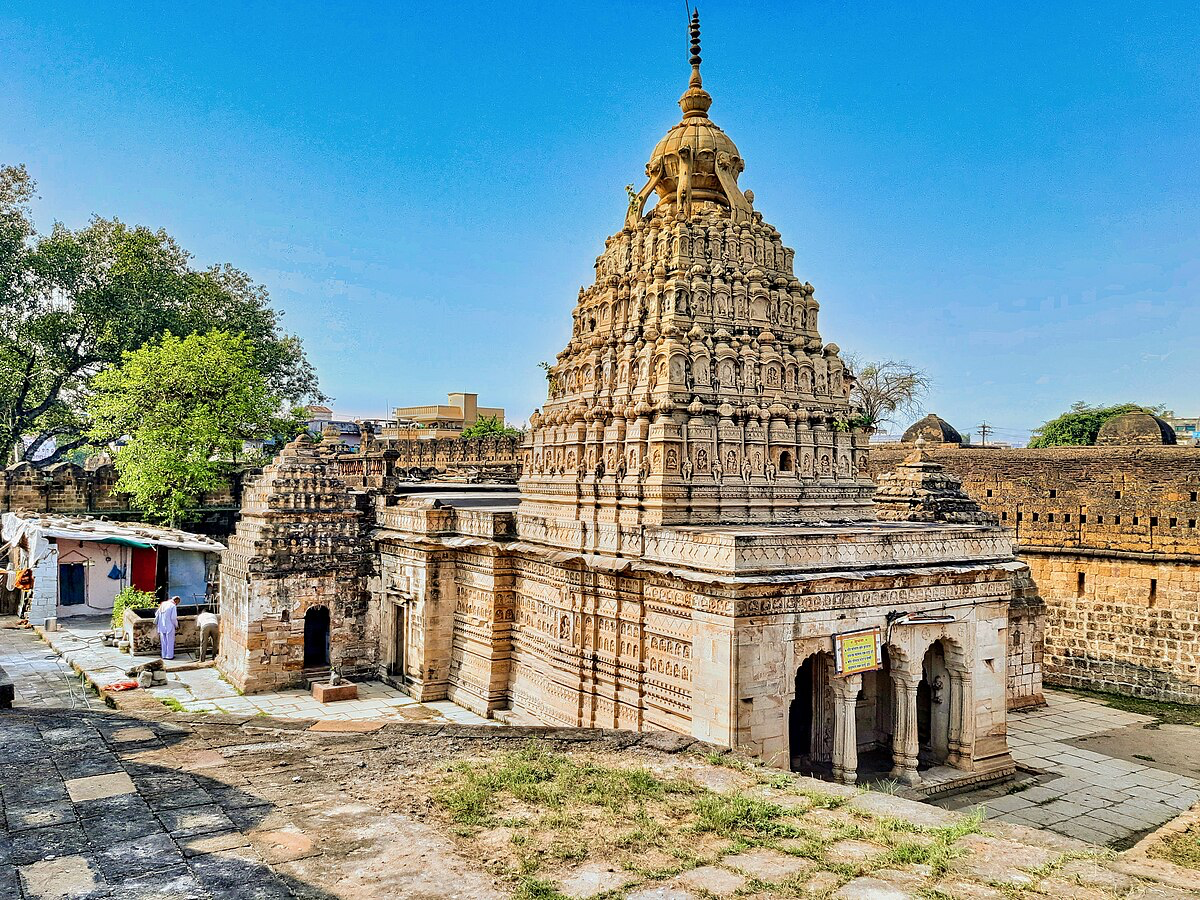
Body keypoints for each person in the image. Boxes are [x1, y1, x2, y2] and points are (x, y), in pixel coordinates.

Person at [155, 595, 180, 660]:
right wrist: (176, 625)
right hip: (170, 625)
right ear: (176, 600)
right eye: (178, 602)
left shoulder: (163, 604)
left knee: (163, 641)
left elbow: (156, 614)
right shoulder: (173, 606)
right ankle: (169, 655)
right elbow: (173, 618)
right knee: (170, 641)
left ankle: (164, 655)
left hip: (161, 625)